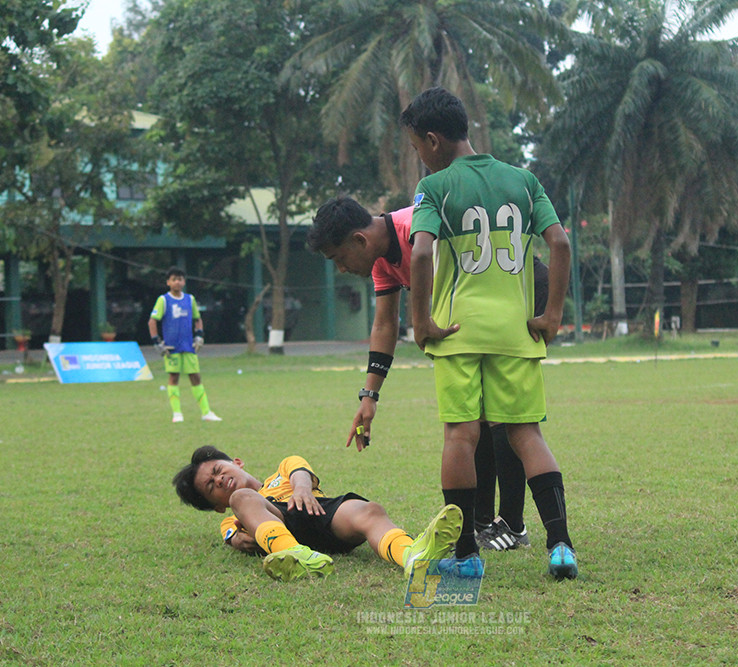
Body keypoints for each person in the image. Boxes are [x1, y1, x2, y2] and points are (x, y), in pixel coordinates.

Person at [400, 87, 577, 579]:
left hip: (456, 332)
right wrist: (553, 314)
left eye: (417, 147)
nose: (420, 156)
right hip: (516, 331)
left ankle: (466, 555)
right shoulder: (523, 181)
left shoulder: (434, 188)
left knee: (461, 434)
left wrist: (420, 323)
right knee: (526, 433)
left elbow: (418, 254)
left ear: (433, 141)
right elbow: (559, 242)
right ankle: (560, 545)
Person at [306, 196, 540, 552]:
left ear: (359, 239)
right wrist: (369, 396)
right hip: (475, 319)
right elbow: (385, 324)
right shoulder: (382, 260)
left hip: (517, 293)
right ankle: (481, 522)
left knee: (502, 419)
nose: (341, 269)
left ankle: (512, 524)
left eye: (338, 259)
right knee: (473, 419)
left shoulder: (418, 226)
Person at [172, 445, 462, 582]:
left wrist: (301, 489)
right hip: (279, 523)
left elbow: (301, 472)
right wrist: (236, 539)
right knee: (244, 497)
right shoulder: (233, 511)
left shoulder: (283, 468)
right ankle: (295, 554)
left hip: (317, 510)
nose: (219, 480)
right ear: (217, 506)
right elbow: (232, 536)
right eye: (211, 487)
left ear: (236, 461)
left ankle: (411, 556)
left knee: (369, 511)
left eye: (218, 471)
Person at [147, 267, 222, 423]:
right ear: (168, 282)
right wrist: (157, 342)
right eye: (174, 279)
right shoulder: (163, 300)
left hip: (188, 346)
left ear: (184, 281)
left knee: (195, 376)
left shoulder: (190, 299)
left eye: (180, 279)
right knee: (174, 377)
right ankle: (177, 414)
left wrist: (199, 336)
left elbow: (197, 318)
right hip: (171, 347)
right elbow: (152, 321)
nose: (177, 282)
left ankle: (206, 412)